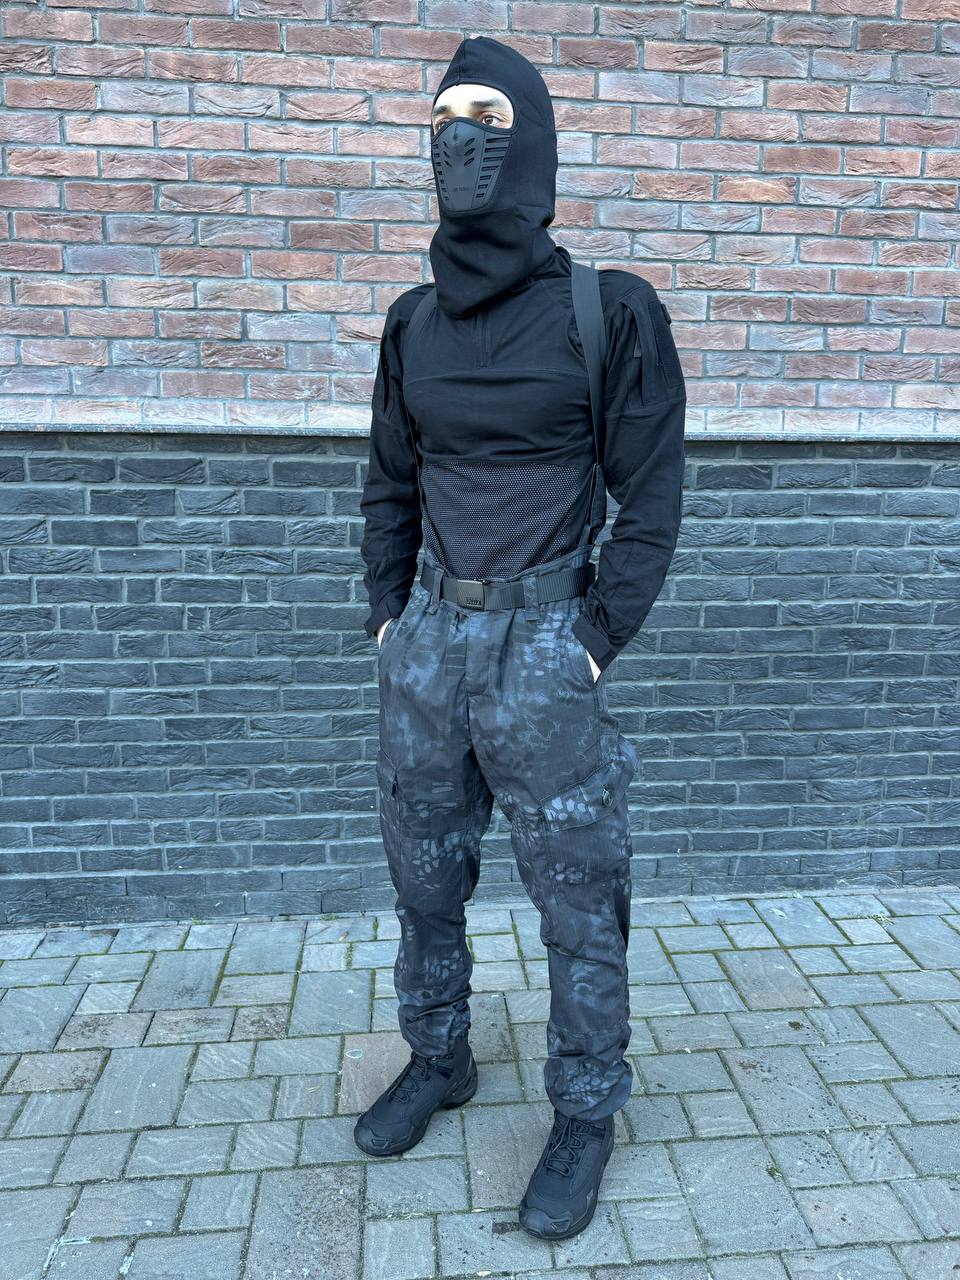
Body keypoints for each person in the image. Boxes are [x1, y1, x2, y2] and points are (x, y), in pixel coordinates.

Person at [354, 35, 686, 1241]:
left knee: (578, 899)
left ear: (533, 138)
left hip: (546, 645)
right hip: (430, 644)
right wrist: (389, 618)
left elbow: (652, 497)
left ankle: (586, 1110)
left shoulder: (610, 312)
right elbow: (389, 480)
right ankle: (439, 1054)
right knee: (423, 879)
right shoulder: (412, 324)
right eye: (444, 117)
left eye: (488, 115)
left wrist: (592, 639)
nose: (462, 137)